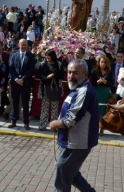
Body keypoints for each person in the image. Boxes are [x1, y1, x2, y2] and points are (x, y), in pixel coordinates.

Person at [49, 59, 98, 192]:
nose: (71, 76)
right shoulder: (77, 88)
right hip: (70, 140)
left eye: (75, 73)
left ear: (85, 74)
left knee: (62, 174)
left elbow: (71, 120)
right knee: (72, 173)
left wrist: (55, 123)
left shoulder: (84, 91)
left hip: (77, 142)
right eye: (69, 72)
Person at [8, 39, 35, 130]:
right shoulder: (14, 54)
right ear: (19, 44)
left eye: (25, 45)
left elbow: (31, 69)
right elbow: (11, 68)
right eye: (21, 44)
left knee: (25, 103)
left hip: (25, 83)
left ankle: (26, 122)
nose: (23, 46)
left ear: (27, 45)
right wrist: (16, 79)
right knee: (15, 102)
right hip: (15, 82)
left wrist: (23, 79)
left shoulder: (31, 56)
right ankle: (13, 120)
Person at [37, 50, 64, 131]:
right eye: (46, 55)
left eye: (49, 55)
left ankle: (53, 126)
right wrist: (45, 77)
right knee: (44, 108)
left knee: (54, 108)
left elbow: (62, 75)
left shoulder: (58, 64)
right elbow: (39, 74)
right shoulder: (43, 64)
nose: (47, 57)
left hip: (55, 89)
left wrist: (54, 75)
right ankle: (42, 125)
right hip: (45, 88)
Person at [91, 55, 113, 135]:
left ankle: (102, 128)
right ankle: (95, 127)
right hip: (97, 91)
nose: (103, 64)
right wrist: (98, 82)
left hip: (105, 92)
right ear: (99, 63)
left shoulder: (109, 72)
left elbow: (112, 83)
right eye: (102, 62)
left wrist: (105, 82)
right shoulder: (95, 72)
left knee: (104, 109)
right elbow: (92, 82)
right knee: (96, 108)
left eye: (105, 62)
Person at [0, 42, 10, 118]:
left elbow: (8, 66)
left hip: (4, 78)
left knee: (3, 93)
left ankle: (2, 108)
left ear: (2, 47)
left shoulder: (6, 55)